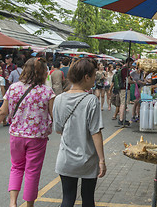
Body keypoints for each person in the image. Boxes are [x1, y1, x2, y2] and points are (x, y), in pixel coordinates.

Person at [0, 57, 55, 207]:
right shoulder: (47, 91)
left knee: (16, 167)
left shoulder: (14, 88)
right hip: (37, 138)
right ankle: (29, 205)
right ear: (43, 72)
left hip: (16, 136)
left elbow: (2, 112)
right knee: (32, 171)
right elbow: (54, 115)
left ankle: (12, 203)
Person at [53, 58, 106, 207]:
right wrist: (101, 160)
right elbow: (96, 132)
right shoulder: (91, 100)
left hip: (66, 159)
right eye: (94, 75)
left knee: (67, 198)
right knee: (88, 198)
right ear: (86, 77)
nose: (95, 78)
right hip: (88, 160)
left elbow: (58, 129)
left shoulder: (58, 99)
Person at [118, 58, 134, 126]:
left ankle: (122, 118)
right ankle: (121, 119)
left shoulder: (124, 69)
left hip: (124, 88)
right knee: (123, 104)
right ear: (128, 62)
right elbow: (128, 80)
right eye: (131, 63)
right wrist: (134, 82)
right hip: (124, 88)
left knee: (124, 103)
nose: (131, 65)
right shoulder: (125, 69)